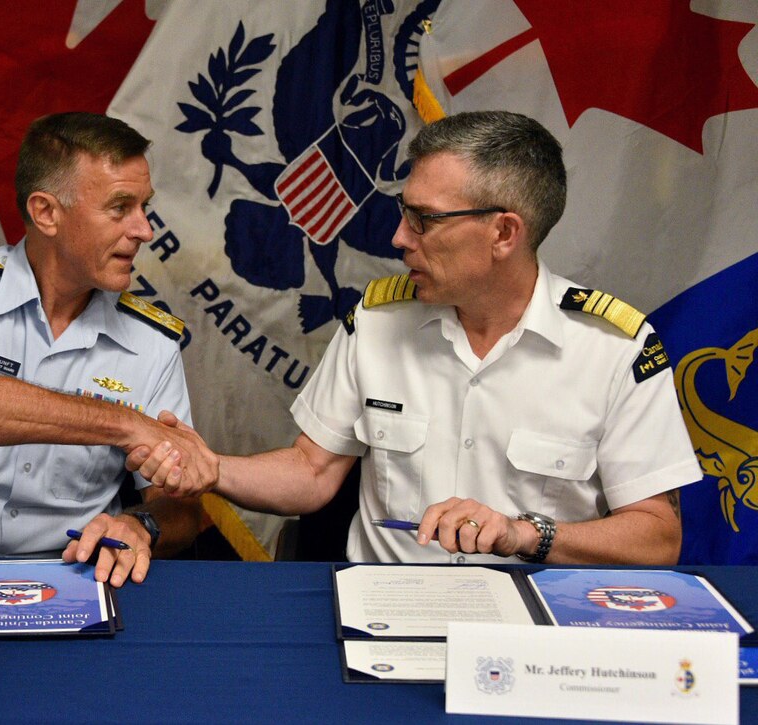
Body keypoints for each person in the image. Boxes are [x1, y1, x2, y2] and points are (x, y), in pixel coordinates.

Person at [129, 110, 701, 566]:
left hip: (535, 627)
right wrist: (214, 468)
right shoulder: (377, 323)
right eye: (404, 213)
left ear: (504, 232)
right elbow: (311, 471)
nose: (400, 237)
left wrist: (524, 535)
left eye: (424, 220)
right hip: (383, 616)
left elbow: (656, 537)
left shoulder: (612, 347)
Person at [0, 112, 216, 586]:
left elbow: (181, 507)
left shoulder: (152, 341)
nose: (144, 230)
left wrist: (139, 523)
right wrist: (126, 423)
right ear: (46, 213)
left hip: (77, 578)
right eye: (120, 207)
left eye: (144, 206)